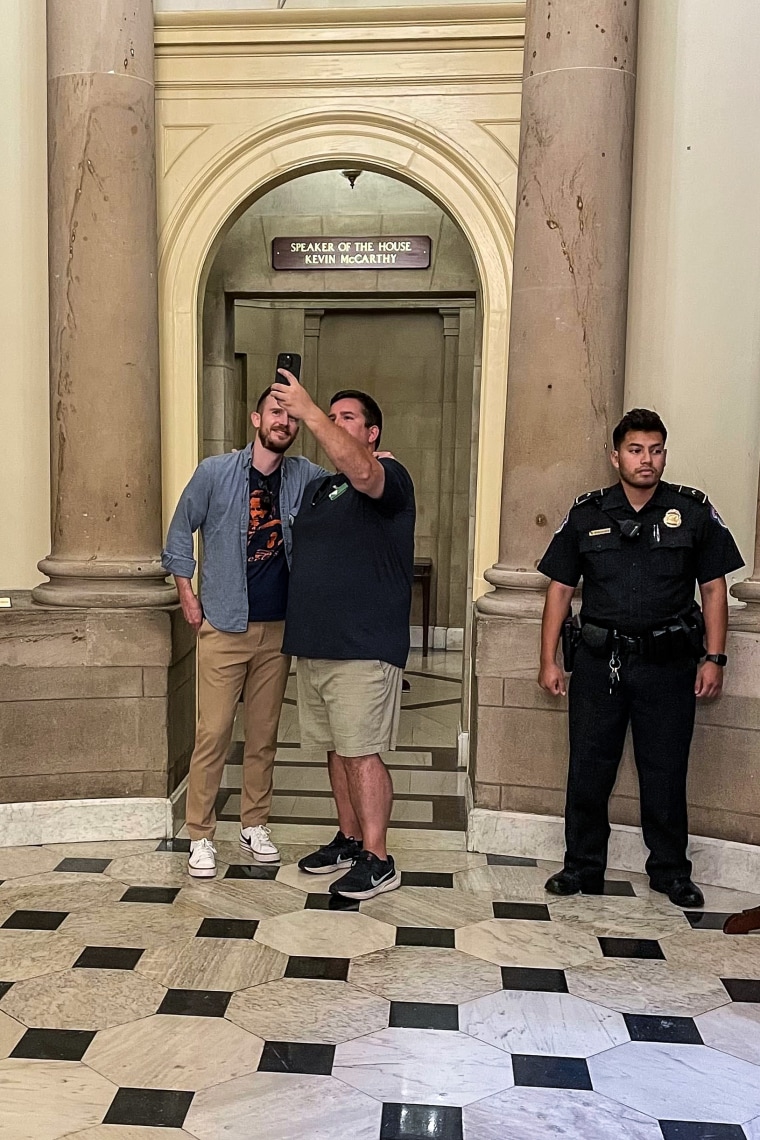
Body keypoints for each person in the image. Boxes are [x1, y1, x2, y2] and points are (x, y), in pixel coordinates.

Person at [537, 408, 744, 908]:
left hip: (669, 664)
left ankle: (671, 872)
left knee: (665, 771)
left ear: (664, 454)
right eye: (635, 449)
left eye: (655, 450)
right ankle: (582, 866)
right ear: (616, 456)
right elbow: (560, 590)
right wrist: (548, 660)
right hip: (598, 661)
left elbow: (714, 589)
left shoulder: (692, 511)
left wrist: (714, 657)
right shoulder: (587, 513)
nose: (645, 459)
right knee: (588, 768)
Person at [162, 388, 327, 878]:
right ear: (256, 418)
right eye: (276, 413)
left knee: (263, 736)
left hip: (278, 631)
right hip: (225, 626)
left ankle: (254, 824)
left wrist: (375, 459)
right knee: (212, 733)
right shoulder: (215, 472)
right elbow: (178, 530)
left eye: (290, 416)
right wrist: (187, 595)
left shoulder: (304, 477)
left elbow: (350, 482)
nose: (283, 422)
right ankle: (200, 835)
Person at [270, 372, 415, 900]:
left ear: (372, 432)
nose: (334, 423)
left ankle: (378, 858)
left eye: (345, 417)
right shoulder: (318, 488)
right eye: (330, 417)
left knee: (362, 752)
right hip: (316, 642)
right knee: (335, 750)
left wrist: (308, 411)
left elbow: (364, 473)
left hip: (363, 646)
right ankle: (350, 839)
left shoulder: (390, 475)